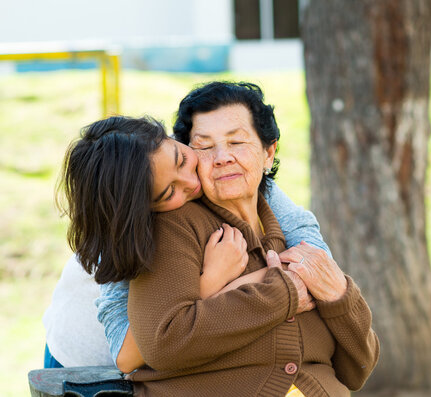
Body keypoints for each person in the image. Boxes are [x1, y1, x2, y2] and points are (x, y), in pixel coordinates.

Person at [118, 81, 379, 396]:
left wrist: (339, 297)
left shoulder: (290, 236)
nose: (222, 157)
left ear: (269, 153)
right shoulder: (175, 227)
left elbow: (357, 369)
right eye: (203, 146)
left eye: (237, 142)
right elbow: (164, 342)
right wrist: (280, 293)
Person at [43, 115, 331, 368]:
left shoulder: (217, 166)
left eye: (181, 159)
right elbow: (127, 355)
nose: (192, 183)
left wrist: (312, 274)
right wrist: (216, 279)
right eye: (169, 194)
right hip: (85, 366)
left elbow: (301, 227)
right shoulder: (126, 236)